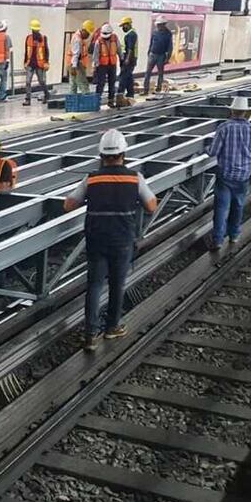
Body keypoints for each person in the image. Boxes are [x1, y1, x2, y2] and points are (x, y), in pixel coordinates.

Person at [64, 131, 158, 351]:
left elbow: (69, 205)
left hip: (96, 240)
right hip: (122, 240)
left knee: (94, 285)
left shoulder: (92, 179)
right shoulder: (135, 178)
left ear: (101, 155)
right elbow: (151, 206)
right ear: (123, 154)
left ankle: (90, 335)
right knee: (117, 284)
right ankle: (112, 327)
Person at [207, 97, 251, 252]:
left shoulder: (224, 128)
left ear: (231, 111)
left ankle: (217, 240)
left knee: (221, 208)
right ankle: (234, 235)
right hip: (244, 176)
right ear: (246, 113)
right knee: (238, 206)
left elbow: (213, 152)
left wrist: (205, 149)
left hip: (225, 175)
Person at [22, 19, 51, 107]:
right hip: (30, 63)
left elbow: (46, 51)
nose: (35, 31)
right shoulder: (28, 38)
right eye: (33, 30)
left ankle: (47, 95)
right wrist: (25, 62)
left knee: (41, 81)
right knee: (28, 81)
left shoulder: (43, 38)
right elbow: (26, 51)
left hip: (39, 64)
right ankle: (28, 99)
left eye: (36, 30)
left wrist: (46, 62)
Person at [143, 19, 174, 95]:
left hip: (161, 55)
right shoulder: (154, 32)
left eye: (159, 25)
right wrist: (149, 52)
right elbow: (151, 42)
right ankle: (145, 89)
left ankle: (159, 89)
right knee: (147, 72)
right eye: (157, 25)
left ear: (163, 24)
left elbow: (170, 47)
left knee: (160, 73)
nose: (158, 26)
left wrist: (167, 58)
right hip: (152, 54)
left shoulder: (168, 34)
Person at [93, 23, 120, 108]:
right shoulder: (99, 41)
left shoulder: (115, 39)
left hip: (112, 64)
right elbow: (96, 54)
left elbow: (119, 48)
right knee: (100, 84)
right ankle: (97, 102)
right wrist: (96, 65)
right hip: (102, 65)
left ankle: (111, 101)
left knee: (112, 83)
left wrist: (122, 58)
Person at [67, 21, 94, 96]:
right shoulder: (77, 39)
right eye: (88, 33)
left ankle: (72, 98)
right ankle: (87, 98)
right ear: (84, 30)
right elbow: (76, 54)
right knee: (82, 82)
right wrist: (74, 67)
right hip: (75, 64)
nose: (88, 36)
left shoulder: (77, 36)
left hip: (72, 63)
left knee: (73, 83)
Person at [118, 16, 138, 99]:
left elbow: (130, 48)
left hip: (129, 58)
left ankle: (120, 94)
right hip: (130, 58)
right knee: (129, 77)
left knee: (123, 76)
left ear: (128, 24)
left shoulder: (131, 35)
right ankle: (130, 94)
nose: (123, 27)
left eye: (124, 25)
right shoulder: (131, 33)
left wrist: (127, 59)